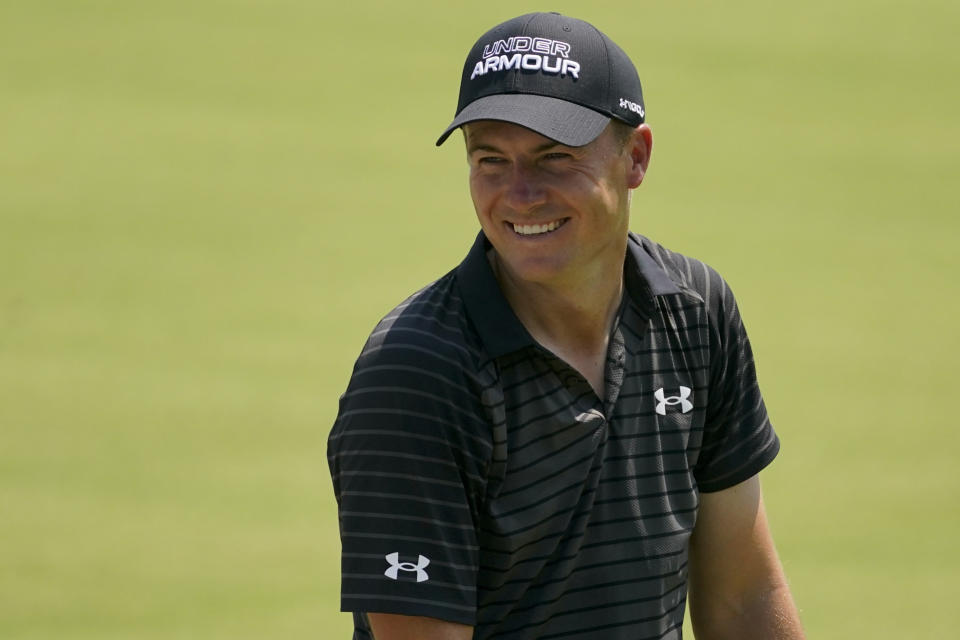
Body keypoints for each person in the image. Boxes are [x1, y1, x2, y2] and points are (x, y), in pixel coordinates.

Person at [328, 12, 805, 640]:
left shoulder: (696, 310)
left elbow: (743, 597)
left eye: (554, 158)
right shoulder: (417, 372)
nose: (520, 194)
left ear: (635, 157)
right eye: (491, 160)